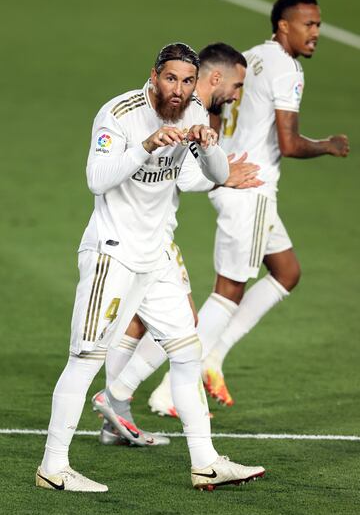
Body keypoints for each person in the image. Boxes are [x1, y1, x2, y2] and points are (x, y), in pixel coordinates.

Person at [35, 42, 265, 492]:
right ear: (155, 75)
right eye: (170, 79)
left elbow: (214, 174)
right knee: (84, 360)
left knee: (185, 352)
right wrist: (144, 146)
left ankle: (205, 461)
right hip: (112, 254)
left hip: (156, 256)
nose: (178, 90)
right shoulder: (120, 114)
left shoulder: (195, 109)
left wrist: (210, 144)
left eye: (185, 81)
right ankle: (53, 467)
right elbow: (95, 179)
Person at [95, 43, 262, 445]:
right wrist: (223, 176)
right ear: (215, 77)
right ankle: (115, 398)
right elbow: (182, 177)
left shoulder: (195, 112)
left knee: (140, 319)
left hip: (151, 232)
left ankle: (112, 416)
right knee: (183, 322)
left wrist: (217, 171)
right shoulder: (185, 112)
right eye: (237, 85)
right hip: (142, 236)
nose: (237, 95)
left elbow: (185, 175)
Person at [195, 0, 349, 406]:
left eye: (318, 24)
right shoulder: (288, 70)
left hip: (232, 179)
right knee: (227, 292)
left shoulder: (248, 57)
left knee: (286, 271)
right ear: (284, 25)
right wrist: (328, 145)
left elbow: (213, 107)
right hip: (252, 189)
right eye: (308, 25)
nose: (316, 32)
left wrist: (217, 160)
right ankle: (171, 384)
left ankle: (213, 356)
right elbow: (291, 143)